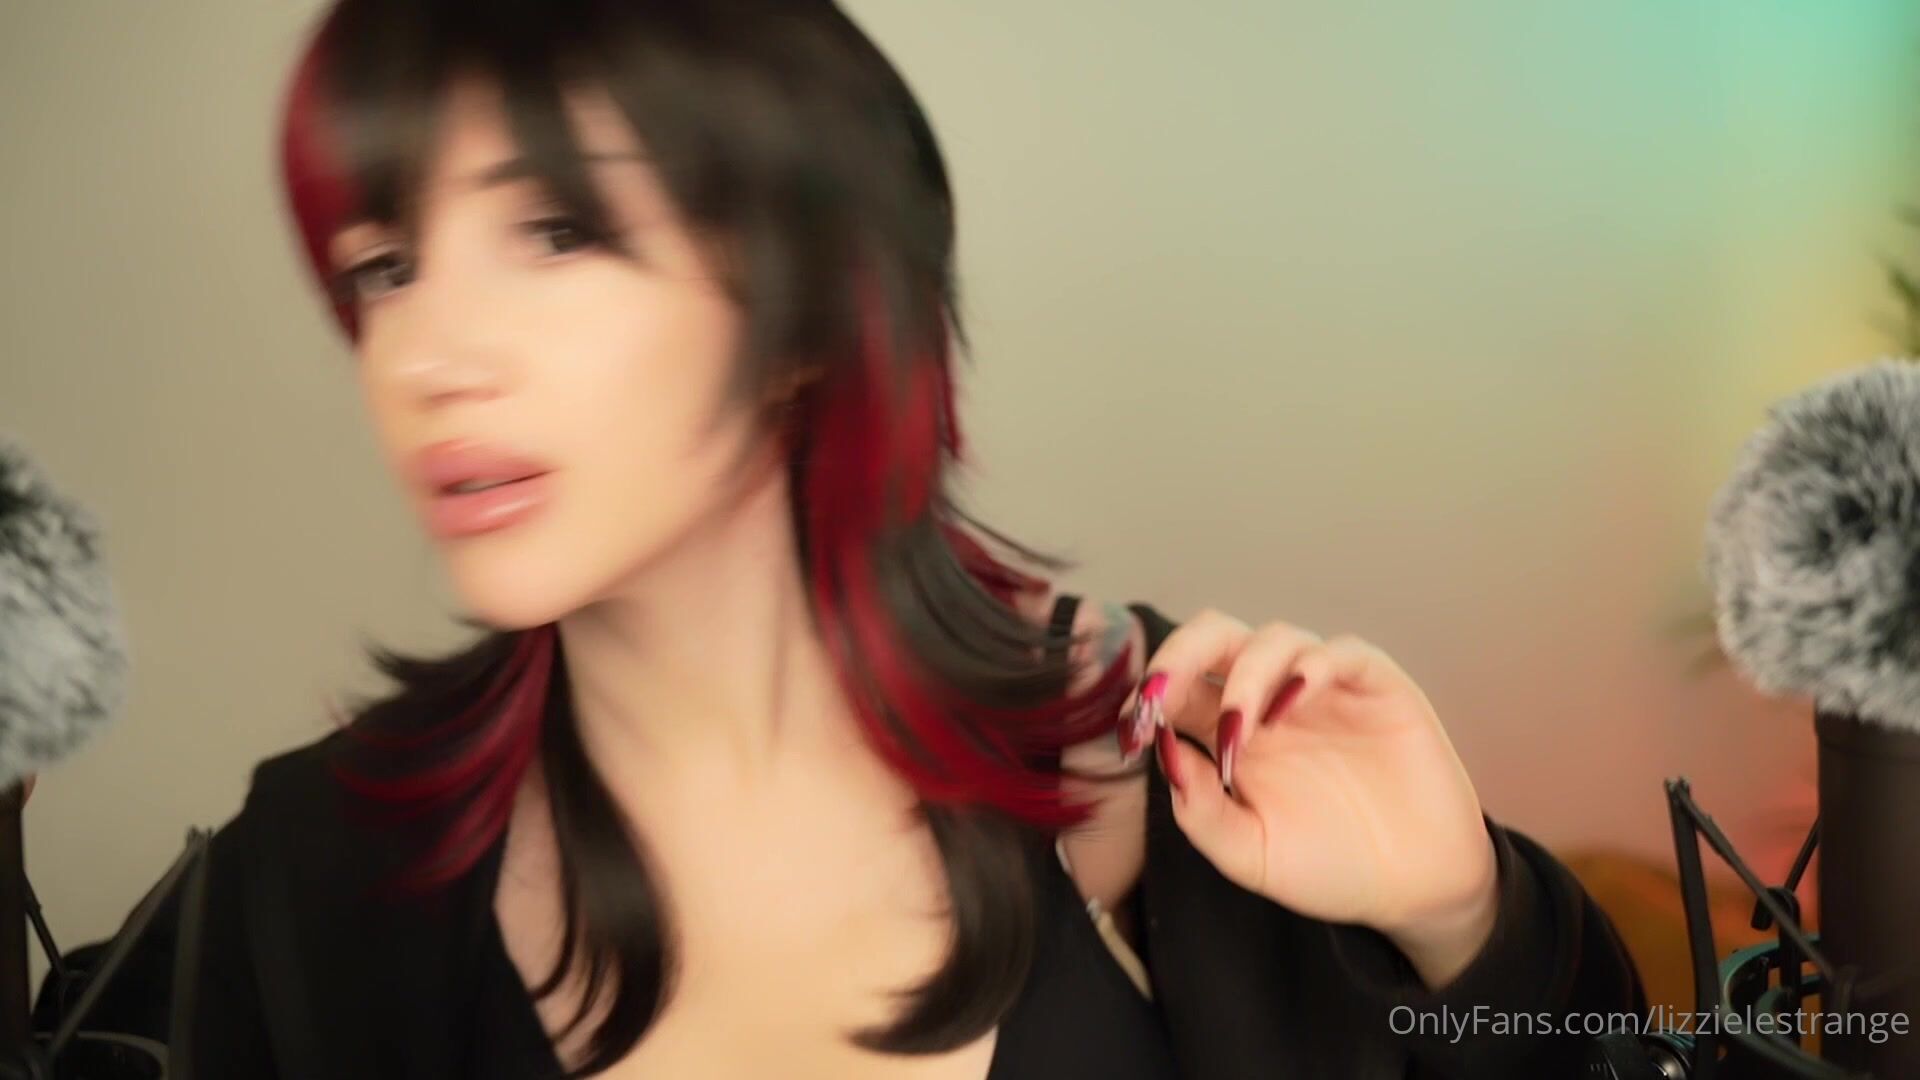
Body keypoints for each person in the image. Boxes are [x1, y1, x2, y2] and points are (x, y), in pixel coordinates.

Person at [182, 2, 1644, 1077]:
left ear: (810, 305)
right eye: (385, 267)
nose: (428, 356)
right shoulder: (305, 878)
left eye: (556, 235)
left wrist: (1468, 919)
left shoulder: (1167, 757)